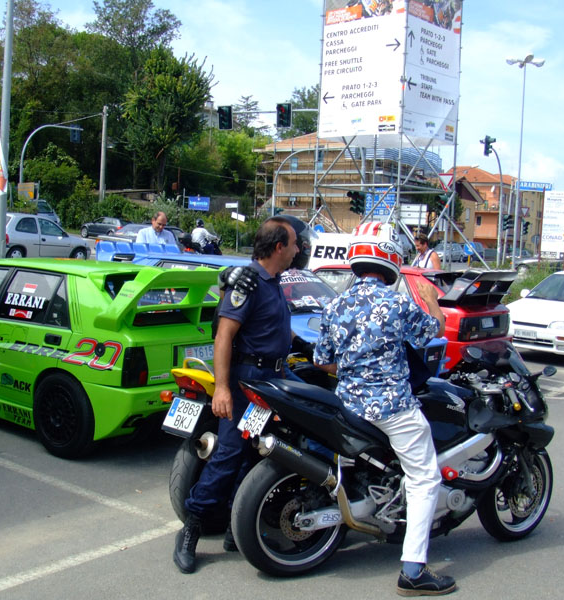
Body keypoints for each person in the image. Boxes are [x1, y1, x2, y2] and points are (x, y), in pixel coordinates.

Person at [313, 223, 456, 597]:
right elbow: (432, 334)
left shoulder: (334, 305)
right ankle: (413, 568)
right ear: (390, 259)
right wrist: (434, 303)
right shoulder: (396, 302)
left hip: (348, 406)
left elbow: (324, 362)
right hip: (393, 408)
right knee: (426, 479)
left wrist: (354, 366)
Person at [173, 216, 302, 574]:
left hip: (272, 378)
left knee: (254, 450)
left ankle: (236, 526)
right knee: (229, 454)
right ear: (278, 247)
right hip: (249, 382)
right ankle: (191, 529)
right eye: (293, 244)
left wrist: (306, 348)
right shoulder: (247, 282)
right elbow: (224, 337)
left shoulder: (272, 281)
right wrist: (224, 389)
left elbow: (272, 328)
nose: (297, 250)